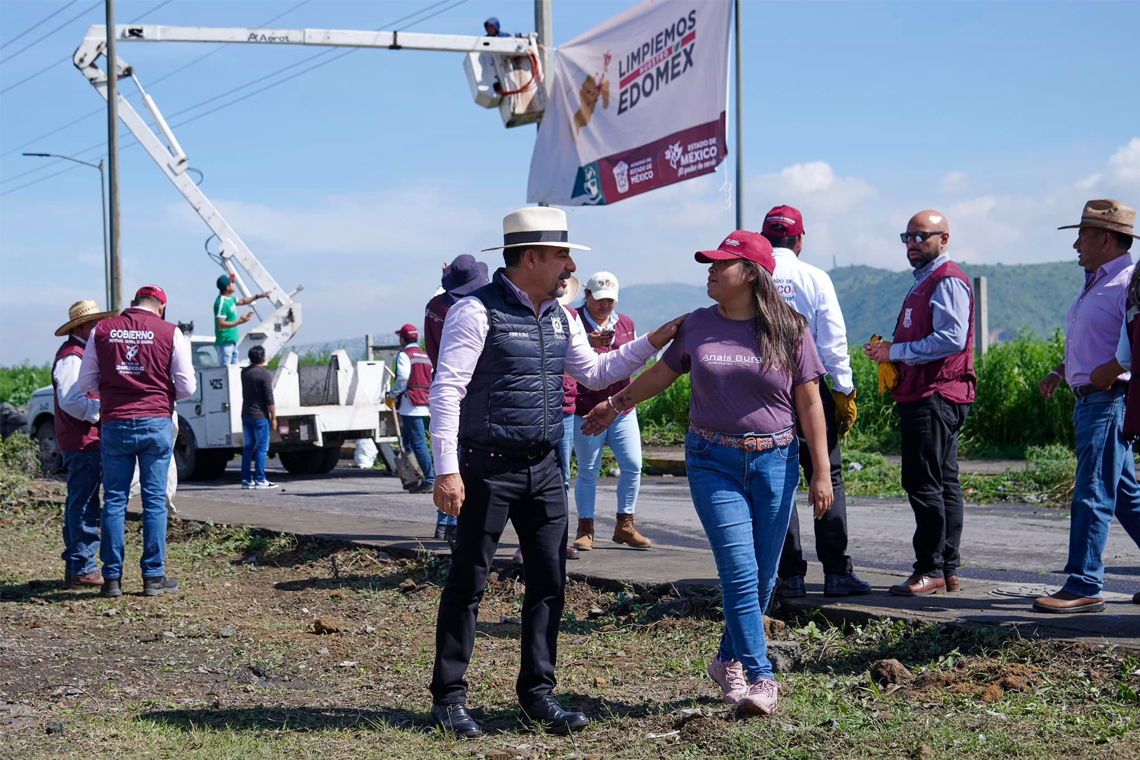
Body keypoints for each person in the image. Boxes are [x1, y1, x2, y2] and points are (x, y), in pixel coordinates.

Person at [427, 206, 686, 737]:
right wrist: (446, 471)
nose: (569, 265)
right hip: (486, 468)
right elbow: (446, 392)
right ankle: (449, 700)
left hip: (545, 467)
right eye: (562, 255)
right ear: (530, 258)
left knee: (549, 582)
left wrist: (653, 339)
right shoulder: (475, 313)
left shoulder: (561, 317)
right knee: (468, 582)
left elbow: (595, 370)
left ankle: (537, 694)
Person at [581, 230, 833, 716]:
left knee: (762, 575)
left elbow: (810, 403)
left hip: (776, 462)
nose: (711, 270)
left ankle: (725, 660)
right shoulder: (697, 325)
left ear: (753, 275)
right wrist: (615, 404)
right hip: (712, 460)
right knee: (739, 572)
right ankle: (761, 676)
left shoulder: (790, 329)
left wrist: (820, 471)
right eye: (710, 263)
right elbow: (660, 372)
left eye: (723, 264)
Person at [1035, 199, 1140, 613]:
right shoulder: (1097, 281)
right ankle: (1083, 581)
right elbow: (1094, 339)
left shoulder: (1130, 281)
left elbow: (1134, 343)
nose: (1076, 244)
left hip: (1109, 399)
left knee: (1092, 491)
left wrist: (1109, 371)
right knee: (1127, 497)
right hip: (1091, 398)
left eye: (1083, 235)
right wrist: (1062, 371)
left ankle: (1084, 584)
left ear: (1107, 239)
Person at [863, 210, 974, 597]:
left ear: (944, 238)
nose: (912, 245)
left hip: (935, 394)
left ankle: (930, 568)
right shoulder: (924, 281)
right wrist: (889, 352)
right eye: (907, 238)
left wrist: (899, 350)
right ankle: (946, 567)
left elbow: (951, 339)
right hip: (926, 392)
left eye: (921, 237)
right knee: (941, 481)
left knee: (923, 481)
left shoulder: (947, 279)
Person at [762, 205, 868, 598]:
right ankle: (837, 573)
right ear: (800, 241)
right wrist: (842, 391)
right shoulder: (816, 278)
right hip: (811, 388)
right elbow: (833, 343)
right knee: (828, 475)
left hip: (766, 391)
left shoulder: (753, 275)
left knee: (780, 481)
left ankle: (789, 576)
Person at [79, 285, 197, 598]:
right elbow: (187, 386)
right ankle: (153, 577)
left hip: (115, 422)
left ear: (133, 304)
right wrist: (160, 391)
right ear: (162, 308)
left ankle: (113, 580)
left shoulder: (102, 330)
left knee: (115, 499)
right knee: (154, 499)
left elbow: (85, 382)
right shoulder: (170, 332)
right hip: (155, 421)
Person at [572, 271, 651, 551]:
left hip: (622, 409)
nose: (605, 306)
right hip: (586, 408)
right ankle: (586, 528)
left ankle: (625, 524)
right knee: (588, 470)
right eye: (600, 299)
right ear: (587, 296)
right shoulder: (573, 320)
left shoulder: (626, 324)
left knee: (633, 466)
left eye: (611, 300)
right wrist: (589, 345)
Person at [53, 299, 116, 589]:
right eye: (93, 323)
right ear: (79, 326)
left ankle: (78, 565)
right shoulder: (72, 356)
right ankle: (83, 566)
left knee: (82, 502)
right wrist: (101, 411)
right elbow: (71, 400)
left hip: (83, 440)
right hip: (83, 441)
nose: (98, 328)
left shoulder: (78, 354)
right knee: (85, 504)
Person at [388, 323, 438, 505]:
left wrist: (391, 395)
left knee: (417, 443)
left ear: (402, 339)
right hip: (424, 402)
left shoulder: (405, 355)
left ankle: (430, 480)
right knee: (408, 442)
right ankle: (413, 477)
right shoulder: (424, 355)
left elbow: (402, 378)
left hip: (410, 405)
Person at [424, 255, 490, 369]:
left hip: (440, 376)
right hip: (476, 379)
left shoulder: (434, 306)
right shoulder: (479, 310)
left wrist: (447, 277)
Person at [240, 345, 278, 490]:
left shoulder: (244, 372)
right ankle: (260, 479)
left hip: (246, 414)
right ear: (263, 358)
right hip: (260, 416)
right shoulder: (264, 374)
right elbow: (269, 398)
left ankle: (246, 479)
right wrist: (273, 417)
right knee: (262, 448)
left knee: (249, 447)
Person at [213, 274, 270, 365]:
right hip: (225, 343)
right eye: (232, 282)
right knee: (226, 372)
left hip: (233, 342)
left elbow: (243, 301)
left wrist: (258, 296)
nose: (234, 284)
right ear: (227, 287)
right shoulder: (221, 303)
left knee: (234, 372)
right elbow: (221, 324)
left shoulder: (231, 299)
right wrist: (239, 321)